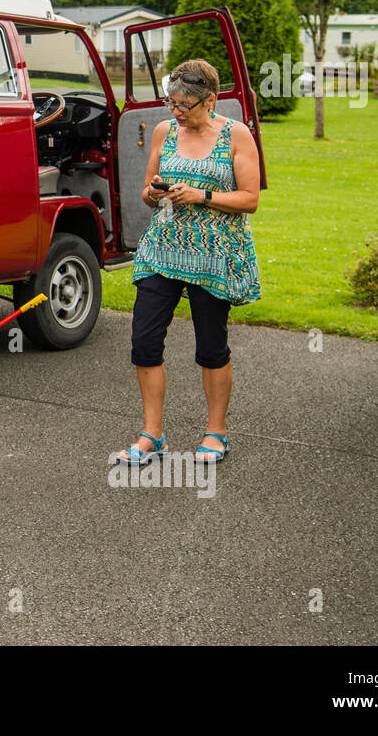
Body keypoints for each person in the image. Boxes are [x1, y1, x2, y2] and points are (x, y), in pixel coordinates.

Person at [114, 58, 261, 466]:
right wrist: (156, 194)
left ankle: (216, 433)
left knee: (211, 347)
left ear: (210, 101)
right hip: (163, 248)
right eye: (171, 102)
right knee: (144, 341)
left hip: (212, 255)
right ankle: (151, 435)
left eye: (185, 105)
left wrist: (201, 196)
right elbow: (146, 190)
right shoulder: (165, 131)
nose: (176, 111)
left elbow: (250, 198)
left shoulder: (236, 135)